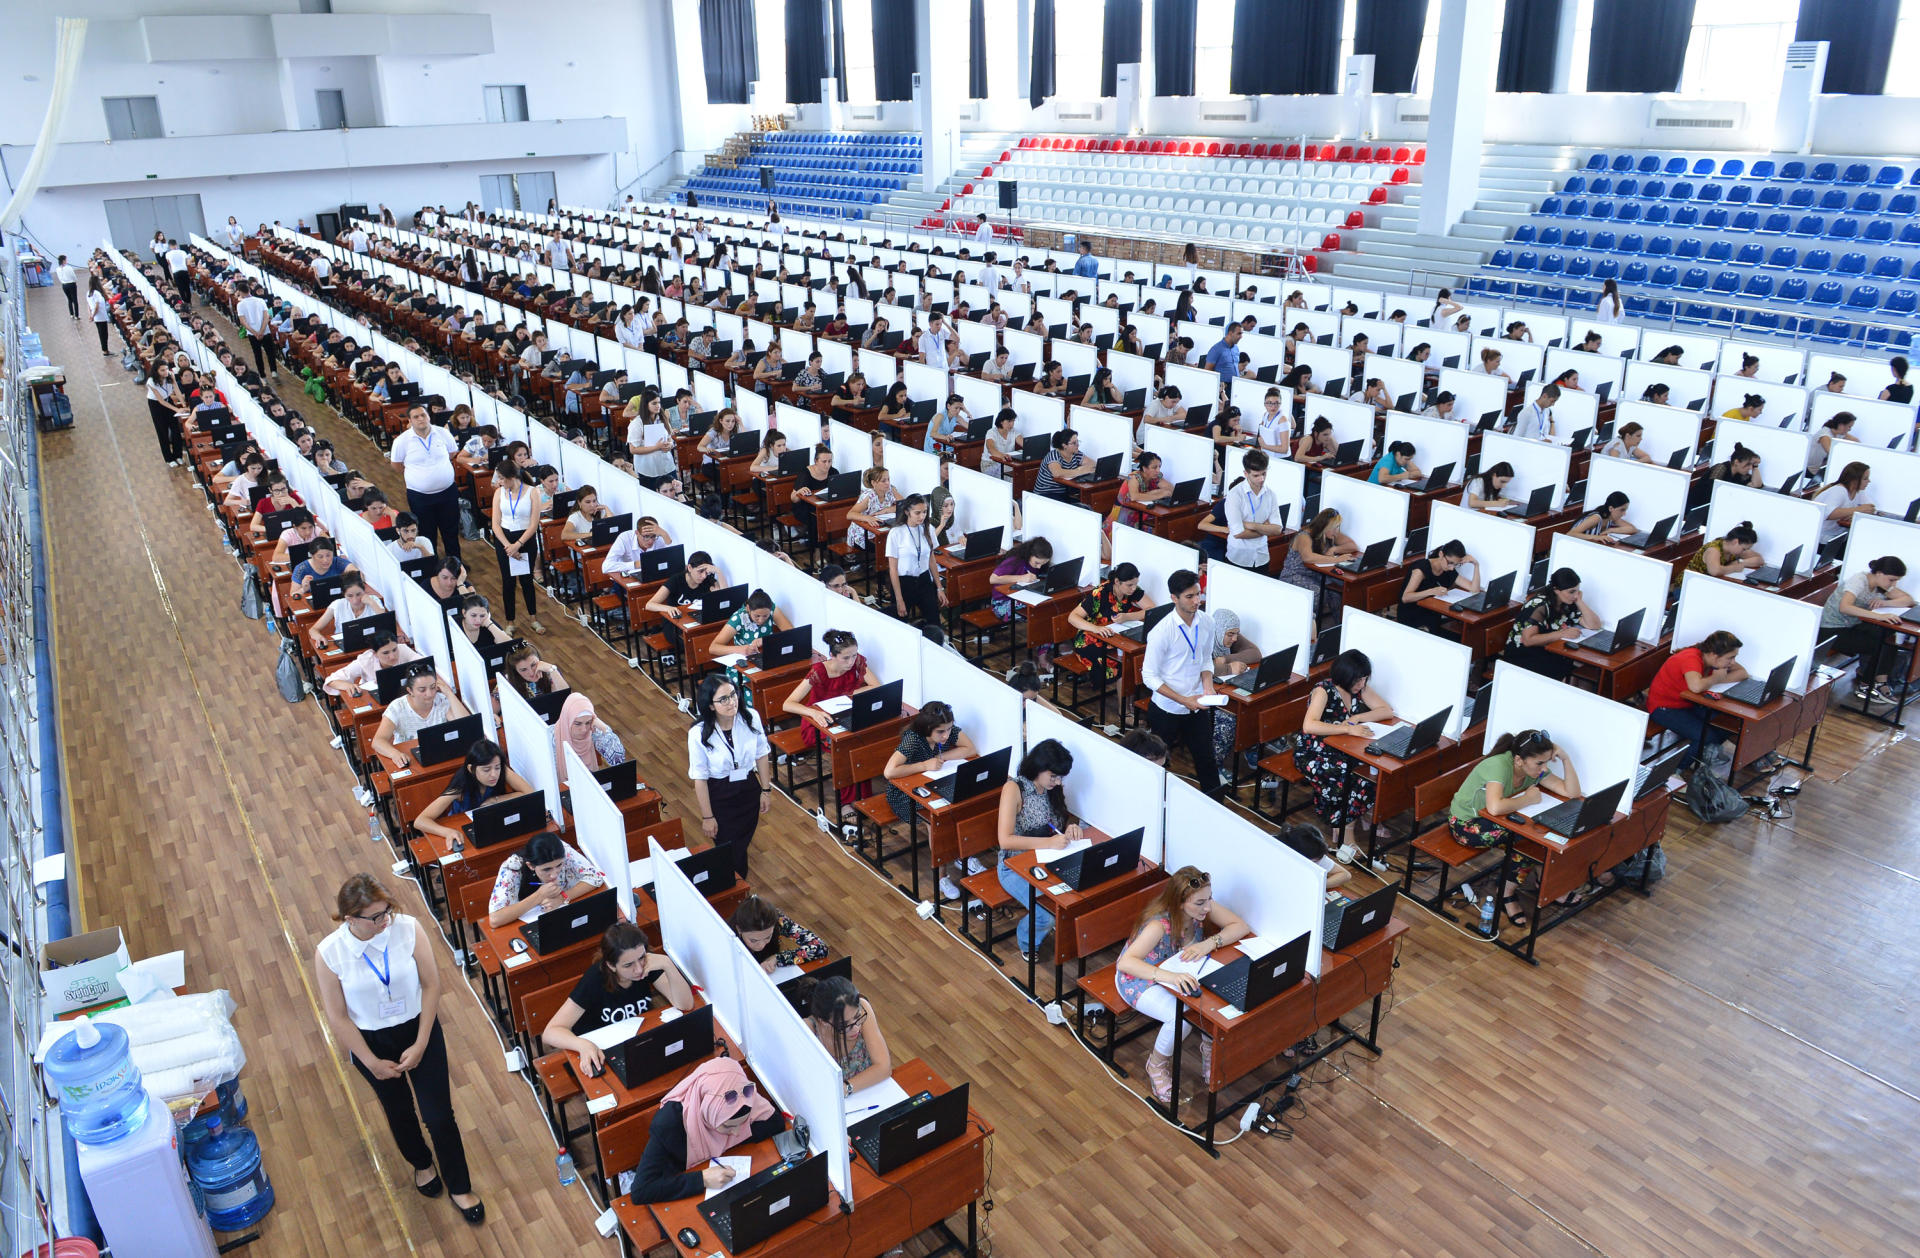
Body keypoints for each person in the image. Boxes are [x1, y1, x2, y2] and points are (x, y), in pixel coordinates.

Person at [313, 873, 483, 1222]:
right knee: (399, 1111)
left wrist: (421, 1043)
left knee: (439, 1115)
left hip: (419, 1028)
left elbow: (431, 985)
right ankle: (422, 1163)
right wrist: (371, 1062)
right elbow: (338, 1017)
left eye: (386, 911)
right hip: (370, 1042)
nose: (384, 921)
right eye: (375, 917)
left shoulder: (408, 929)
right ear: (350, 919)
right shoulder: (330, 953)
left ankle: (459, 1186)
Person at [1115, 866, 1249, 1103]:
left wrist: (1209, 943)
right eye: (1200, 903)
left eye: (1209, 899)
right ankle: (1156, 1065)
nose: (1207, 907)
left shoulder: (1202, 905)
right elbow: (1125, 963)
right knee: (1180, 1017)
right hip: (1140, 979)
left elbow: (1240, 926)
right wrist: (1168, 976)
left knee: (1214, 999)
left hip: (1180, 973)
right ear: (1179, 903)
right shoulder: (1158, 925)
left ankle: (1209, 1048)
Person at [1447, 729, 1581, 928]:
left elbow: (1572, 792)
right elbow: (1494, 808)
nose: (1544, 768)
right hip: (1466, 825)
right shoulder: (1499, 766)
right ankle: (1510, 891)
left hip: (1497, 820)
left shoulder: (1533, 770)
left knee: (1534, 838)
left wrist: (1565, 758)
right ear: (1519, 760)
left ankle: (1536, 881)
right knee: (1528, 839)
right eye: (1540, 763)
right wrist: (1527, 799)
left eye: (1546, 762)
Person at [539, 920, 694, 1079]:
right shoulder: (595, 979)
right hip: (602, 1051)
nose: (639, 969)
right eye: (628, 965)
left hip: (637, 1042)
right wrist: (582, 1044)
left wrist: (667, 964)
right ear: (611, 965)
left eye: (642, 957)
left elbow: (685, 1004)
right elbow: (551, 1032)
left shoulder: (647, 964)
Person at [628, 1056, 786, 1204]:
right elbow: (641, 1190)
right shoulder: (670, 1124)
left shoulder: (742, 1096)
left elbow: (776, 1123)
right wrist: (702, 1179)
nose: (737, 1133)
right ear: (708, 1111)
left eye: (743, 1123)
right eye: (728, 1126)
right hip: (682, 1191)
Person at [783, 629, 882, 826]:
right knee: (845, 748)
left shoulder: (857, 661)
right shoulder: (819, 671)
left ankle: (862, 797)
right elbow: (788, 704)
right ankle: (846, 803)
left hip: (843, 716)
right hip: (817, 723)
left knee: (861, 743)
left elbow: (876, 686)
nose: (851, 661)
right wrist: (813, 712)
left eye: (854, 655)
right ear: (832, 655)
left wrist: (850, 695)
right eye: (845, 658)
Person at [881, 702, 979, 899]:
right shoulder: (913, 739)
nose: (946, 735)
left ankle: (961, 855)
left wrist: (942, 757)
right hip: (904, 795)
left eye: (949, 729)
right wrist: (925, 765)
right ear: (927, 728)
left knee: (961, 807)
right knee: (936, 821)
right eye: (941, 732)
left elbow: (969, 748)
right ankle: (942, 876)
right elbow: (889, 772)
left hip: (931, 784)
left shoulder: (946, 730)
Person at [996, 739, 1082, 960]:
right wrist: (1048, 843)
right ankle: (1027, 941)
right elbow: (1005, 840)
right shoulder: (1014, 788)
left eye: (1060, 777)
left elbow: (1064, 819)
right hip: (1014, 866)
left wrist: (1071, 827)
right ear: (1039, 767)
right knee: (1045, 914)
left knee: (1077, 895)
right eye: (1053, 776)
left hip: (1048, 859)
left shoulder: (1052, 788)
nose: (1058, 781)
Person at [1142, 569, 1222, 796]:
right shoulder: (1162, 632)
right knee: (1157, 762)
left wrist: (1208, 685)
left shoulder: (1207, 622)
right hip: (1166, 709)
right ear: (1174, 598)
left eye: (1198, 594)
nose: (1197, 601)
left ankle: (1216, 806)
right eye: (1190, 596)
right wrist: (1183, 700)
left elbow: (1205, 658)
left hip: (1196, 704)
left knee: (1207, 759)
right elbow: (1149, 676)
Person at [1295, 649, 1395, 830]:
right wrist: (1348, 729)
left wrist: (1358, 717)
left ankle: (1358, 815)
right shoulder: (1323, 690)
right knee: (1350, 776)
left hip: (1343, 747)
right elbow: (1309, 726)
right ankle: (1342, 825)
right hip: (1314, 751)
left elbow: (1386, 711)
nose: (1362, 684)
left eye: (1364, 679)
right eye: (1358, 680)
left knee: (1372, 772)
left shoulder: (1360, 688)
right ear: (1345, 675)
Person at [687, 674, 774, 876]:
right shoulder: (698, 733)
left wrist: (766, 790)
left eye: (733, 695)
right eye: (723, 699)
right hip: (720, 793)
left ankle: (736, 884)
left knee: (740, 845)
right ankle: (736, 885)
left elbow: (761, 754)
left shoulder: (751, 717)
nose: (732, 702)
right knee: (729, 848)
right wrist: (707, 817)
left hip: (747, 788)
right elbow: (700, 778)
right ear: (711, 705)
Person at [1646, 631, 1750, 770]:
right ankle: (1675, 770)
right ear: (1714, 655)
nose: (1733, 662)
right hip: (1663, 708)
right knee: (1706, 737)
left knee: (1726, 725)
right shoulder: (1690, 658)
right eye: (1730, 658)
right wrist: (1715, 678)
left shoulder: (1713, 658)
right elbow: (1696, 687)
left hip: (1688, 704)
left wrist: (1716, 679)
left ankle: (1705, 754)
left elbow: (1743, 673)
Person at [1821, 555, 1914, 705]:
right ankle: (1868, 686)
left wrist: (1884, 603)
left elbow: (1908, 600)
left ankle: (1877, 683)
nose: (1894, 584)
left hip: (1852, 626)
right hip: (1831, 630)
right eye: (1892, 580)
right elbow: (1845, 607)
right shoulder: (1859, 580)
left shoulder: (1881, 585)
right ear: (1879, 573)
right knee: (1880, 644)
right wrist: (1879, 616)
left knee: (1888, 635)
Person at [410, 739, 535, 844]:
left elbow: (530, 794)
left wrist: (495, 800)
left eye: (497, 768)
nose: (494, 774)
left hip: (492, 821)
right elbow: (420, 821)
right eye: (486, 770)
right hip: (464, 829)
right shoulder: (459, 787)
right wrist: (448, 832)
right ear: (471, 769)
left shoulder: (500, 769)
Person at [486, 830, 609, 928]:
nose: (554, 875)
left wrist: (562, 898)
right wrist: (539, 895)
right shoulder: (513, 867)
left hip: (562, 915)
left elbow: (596, 876)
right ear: (531, 866)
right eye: (547, 869)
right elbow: (495, 919)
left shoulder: (562, 851)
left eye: (559, 866)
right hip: (529, 924)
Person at [390, 403, 463, 558]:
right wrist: (419, 475)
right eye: (416, 417)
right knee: (427, 533)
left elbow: (452, 453)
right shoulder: (402, 441)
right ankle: (432, 564)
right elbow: (396, 465)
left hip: (447, 493)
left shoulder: (443, 433)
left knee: (451, 531)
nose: (421, 419)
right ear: (410, 421)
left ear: (429, 416)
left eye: (423, 415)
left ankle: (455, 563)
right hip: (420, 496)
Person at [1504, 567, 1600, 682]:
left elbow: (1594, 625)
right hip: (1524, 655)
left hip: (1546, 650)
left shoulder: (1568, 603)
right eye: (1571, 592)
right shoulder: (1539, 605)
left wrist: (1579, 601)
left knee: (1575, 667)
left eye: (1577, 591)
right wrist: (1562, 634)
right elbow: (1528, 640)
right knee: (1568, 668)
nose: (1575, 595)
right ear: (1556, 590)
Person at [802, 975, 892, 1095]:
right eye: (844, 1025)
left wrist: (846, 1088)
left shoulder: (863, 1007)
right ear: (823, 1021)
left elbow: (884, 1067)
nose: (855, 1028)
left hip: (871, 1089)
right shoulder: (807, 1031)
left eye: (857, 1017)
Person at [371, 666, 472, 772]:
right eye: (422, 690)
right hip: (411, 760)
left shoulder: (441, 700)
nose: (430, 694)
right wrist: (395, 754)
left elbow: (466, 726)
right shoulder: (397, 707)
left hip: (438, 756)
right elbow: (378, 741)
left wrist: (449, 693)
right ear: (410, 690)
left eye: (433, 687)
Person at [1068, 562, 1153, 684]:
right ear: (1117, 581)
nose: (1134, 588)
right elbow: (1072, 617)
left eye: (1135, 584)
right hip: (1091, 637)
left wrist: (1128, 616)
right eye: (1130, 585)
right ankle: (1104, 682)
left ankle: (1120, 685)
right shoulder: (1100, 593)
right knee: (1117, 664)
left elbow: (1151, 609)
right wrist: (1096, 628)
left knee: (1131, 658)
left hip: (1114, 636)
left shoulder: (1132, 590)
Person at [489, 464, 542, 634]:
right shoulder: (499, 493)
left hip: (525, 540)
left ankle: (533, 618)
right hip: (504, 541)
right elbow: (495, 524)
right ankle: (510, 621)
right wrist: (508, 546)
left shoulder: (532, 492)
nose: (499, 482)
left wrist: (517, 545)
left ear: (512, 477)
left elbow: (533, 524)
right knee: (508, 582)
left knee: (527, 580)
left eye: (501, 478)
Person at [884, 494, 945, 624]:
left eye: (924, 512)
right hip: (904, 583)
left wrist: (939, 588)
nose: (922, 516)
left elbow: (931, 560)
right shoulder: (896, 533)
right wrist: (899, 599)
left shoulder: (928, 529)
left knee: (934, 621)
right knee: (901, 623)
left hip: (924, 580)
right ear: (907, 512)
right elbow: (893, 569)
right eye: (917, 513)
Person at [1278, 508, 1358, 605]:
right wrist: (1337, 559)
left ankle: (1340, 616)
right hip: (1295, 575)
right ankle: (1313, 615)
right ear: (1326, 527)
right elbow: (1308, 557)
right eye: (1335, 527)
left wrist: (1334, 549)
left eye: (1338, 527)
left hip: (1317, 575)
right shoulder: (1304, 536)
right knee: (1319, 593)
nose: (1336, 531)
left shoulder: (1330, 534)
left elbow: (1352, 546)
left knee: (1340, 593)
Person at [730, 896, 829, 973]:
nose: (761, 946)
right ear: (739, 929)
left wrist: (778, 958)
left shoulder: (779, 920)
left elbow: (821, 947)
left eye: (768, 937)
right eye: (753, 940)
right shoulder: (727, 936)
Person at [1398, 539, 1480, 632]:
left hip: (1431, 613)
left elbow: (1475, 590)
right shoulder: (1421, 569)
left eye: (1457, 565)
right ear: (1441, 554)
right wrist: (1431, 591)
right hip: (1411, 614)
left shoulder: (1449, 570)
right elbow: (1405, 598)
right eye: (1450, 563)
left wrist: (1476, 565)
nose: (1452, 568)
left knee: (1460, 631)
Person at [551, 692, 628, 788]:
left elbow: (617, 761)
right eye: (578, 724)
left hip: (590, 786)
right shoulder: (552, 737)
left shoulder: (593, 730)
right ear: (567, 720)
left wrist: (605, 729)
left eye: (588, 722)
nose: (584, 729)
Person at [324, 632, 422, 700]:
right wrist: (348, 685)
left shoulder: (402, 649)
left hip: (404, 694)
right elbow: (331, 680)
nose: (392, 656)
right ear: (375, 654)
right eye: (386, 653)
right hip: (376, 699)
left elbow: (423, 663)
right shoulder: (365, 660)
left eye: (394, 650)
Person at [989, 537, 1053, 621]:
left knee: (1045, 608)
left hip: (1021, 597)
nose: (1039, 567)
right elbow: (993, 579)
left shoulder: (1038, 564)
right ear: (1030, 554)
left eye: (1043, 563)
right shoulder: (1015, 560)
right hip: (1001, 603)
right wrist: (1021, 578)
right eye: (1037, 563)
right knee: (1038, 612)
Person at [1684, 521, 1762, 582]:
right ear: (1735, 542)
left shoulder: (1733, 549)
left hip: (1707, 582)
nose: (1745, 552)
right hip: (1688, 584)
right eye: (1744, 549)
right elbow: (1715, 571)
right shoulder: (1714, 550)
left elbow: (1759, 560)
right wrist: (1735, 568)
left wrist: (1741, 562)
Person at [846, 466, 900, 553]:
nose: (887, 483)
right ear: (874, 483)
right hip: (861, 535)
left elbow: (904, 505)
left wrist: (888, 509)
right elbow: (850, 514)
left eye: (888, 479)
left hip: (880, 530)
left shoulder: (890, 491)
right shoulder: (869, 496)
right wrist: (867, 518)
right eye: (883, 481)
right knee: (887, 549)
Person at [1813, 461, 1875, 527]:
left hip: (1838, 531)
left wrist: (1854, 514)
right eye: (1865, 479)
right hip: (1823, 531)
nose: (1869, 481)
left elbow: (1870, 508)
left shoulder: (1859, 491)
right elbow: (1827, 513)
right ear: (1854, 480)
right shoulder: (1839, 490)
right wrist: (1858, 510)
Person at [500, 643, 566, 701]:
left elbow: (566, 698)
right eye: (523, 670)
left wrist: (552, 669)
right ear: (515, 671)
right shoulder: (506, 682)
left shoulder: (550, 671)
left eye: (533, 664)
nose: (531, 673)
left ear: (539, 659)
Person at [1571, 490, 1637, 543]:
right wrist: (1596, 537)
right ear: (1611, 508)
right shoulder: (1596, 518)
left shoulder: (1612, 518)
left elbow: (1632, 529)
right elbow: (1571, 534)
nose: (1624, 514)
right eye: (1622, 510)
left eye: (1625, 510)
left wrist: (1610, 530)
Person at [1806, 413, 1857, 479]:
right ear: (1841, 425)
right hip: (1811, 471)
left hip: (1820, 469)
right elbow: (1832, 455)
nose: (1850, 429)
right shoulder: (1825, 435)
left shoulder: (1838, 433)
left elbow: (1856, 441)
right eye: (1849, 426)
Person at [87, 277, 113, 355]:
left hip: (96, 316)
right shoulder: (96, 293)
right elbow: (97, 306)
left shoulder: (88, 293)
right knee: (103, 334)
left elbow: (88, 306)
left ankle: (105, 350)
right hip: (100, 316)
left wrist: (91, 315)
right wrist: (92, 315)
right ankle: (105, 351)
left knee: (102, 333)